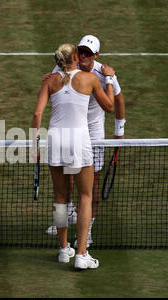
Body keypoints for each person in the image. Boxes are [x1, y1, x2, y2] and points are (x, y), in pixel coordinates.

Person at [32, 43, 115, 269]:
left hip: (55, 140)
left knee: (60, 198)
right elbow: (109, 107)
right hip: (79, 141)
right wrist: (109, 79)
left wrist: (34, 143)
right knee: (85, 196)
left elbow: (37, 113)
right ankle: (81, 254)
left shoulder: (50, 80)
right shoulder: (90, 79)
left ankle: (63, 248)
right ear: (76, 57)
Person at [44, 35, 126, 249]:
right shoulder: (63, 68)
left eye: (88, 53)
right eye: (81, 51)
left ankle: (86, 230)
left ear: (96, 55)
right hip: (72, 133)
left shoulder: (104, 73)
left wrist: (119, 130)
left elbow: (116, 101)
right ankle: (68, 219)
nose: (83, 56)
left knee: (91, 185)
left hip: (94, 135)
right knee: (66, 186)